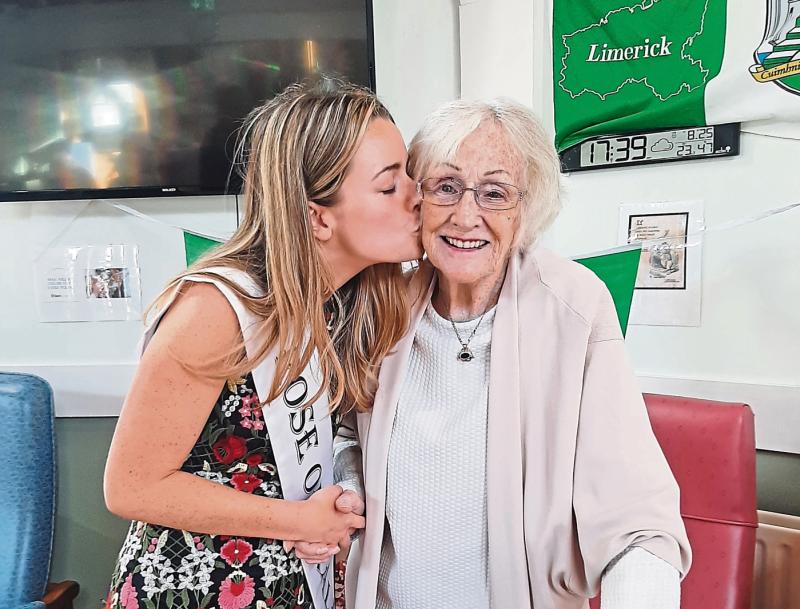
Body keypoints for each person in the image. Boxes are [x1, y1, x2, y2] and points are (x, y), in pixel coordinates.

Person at [321, 98, 692, 609]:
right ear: (417, 197)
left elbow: (636, 518)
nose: (466, 216)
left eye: (494, 193)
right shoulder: (383, 302)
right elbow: (348, 435)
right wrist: (349, 488)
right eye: (446, 187)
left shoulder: (574, 307)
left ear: (527, 207)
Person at [102, 79, 422, 609]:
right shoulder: (218, 307)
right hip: (194, 589)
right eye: (389, 187)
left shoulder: (340, 302)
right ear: (319, 216)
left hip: (289, 582)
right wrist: (297, 519)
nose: (417, 196)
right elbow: (131, 485)